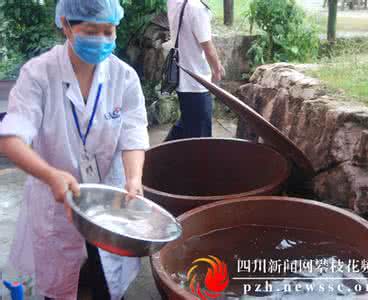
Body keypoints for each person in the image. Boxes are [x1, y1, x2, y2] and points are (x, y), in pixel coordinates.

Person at [0, 0, 149, 299]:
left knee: (106, 278)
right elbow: (11, 137)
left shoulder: (124, 76)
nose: (103, 40)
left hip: (109, 197)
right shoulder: (39, 74)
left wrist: (134, 178)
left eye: (109, 31)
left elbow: (133, 133)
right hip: (57, 201)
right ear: (66, 25)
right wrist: (51, 174)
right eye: (92, 31)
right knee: (59, 284)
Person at [165, 0, 225, 141]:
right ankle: (157, 159)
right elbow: (207, 45)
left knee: (186, 125)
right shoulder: (196, 8)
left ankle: (155, 158)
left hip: (182, 77)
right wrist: (217, 68)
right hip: (197, 82)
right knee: (200, 139)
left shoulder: (174, 2)